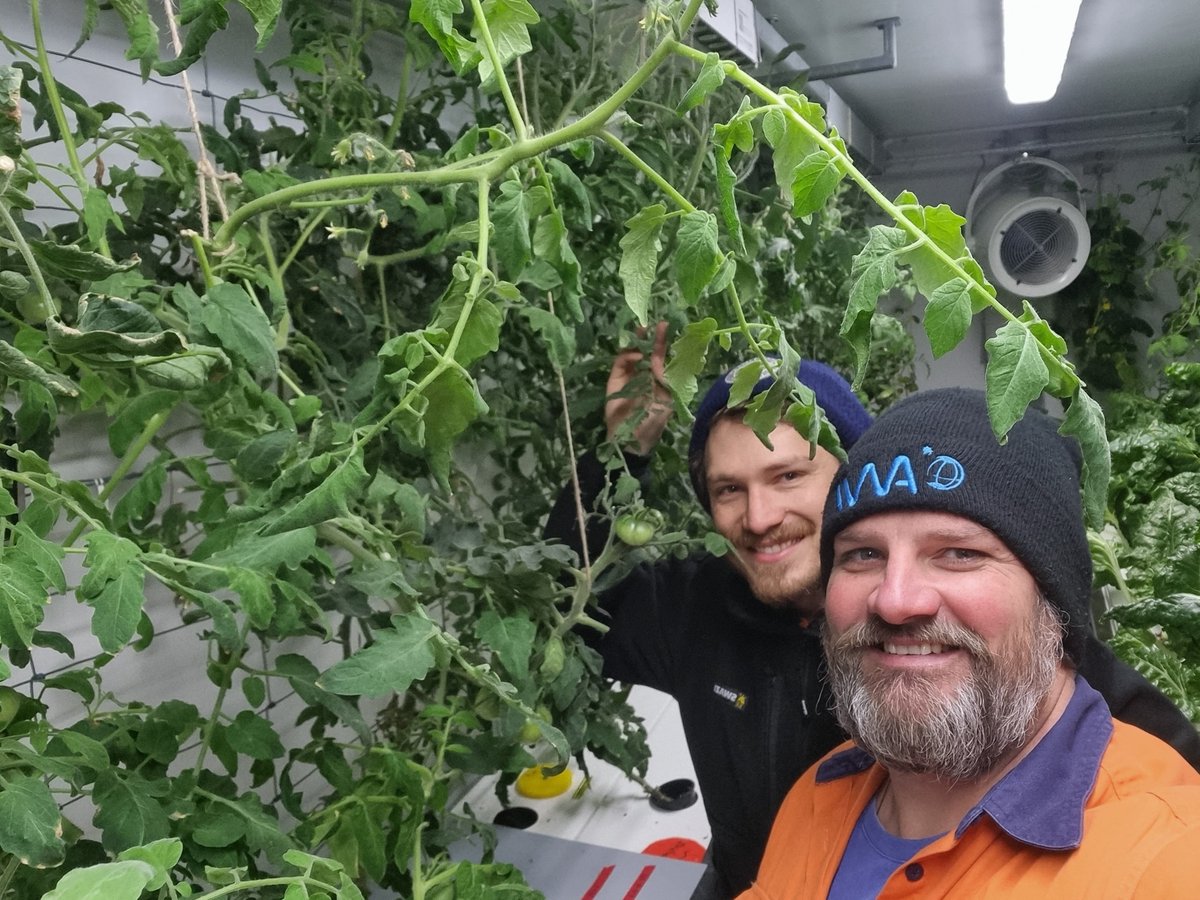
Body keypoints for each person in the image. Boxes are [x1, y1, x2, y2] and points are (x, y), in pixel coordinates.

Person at [544, 334, 1200, 898]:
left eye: (788, 477)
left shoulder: (1024, 653)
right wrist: (621, 450)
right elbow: (568, 605)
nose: (760, 516)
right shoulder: (696, 612)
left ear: (858, 479)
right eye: (728, 490)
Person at [740, 387, 1200, 899]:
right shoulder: (820, 792)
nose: (894, 601)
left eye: (958, 553)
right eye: (862, 554)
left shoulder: (1167, 857)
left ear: (1053, 601)